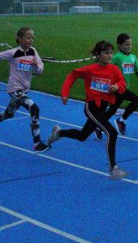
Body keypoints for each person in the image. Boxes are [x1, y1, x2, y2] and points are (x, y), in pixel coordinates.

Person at [47, 41, 128, 179]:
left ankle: (59, 133)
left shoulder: (114, 69)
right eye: (106, 53)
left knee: (82, 136)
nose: (109, 55)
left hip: (103, 108)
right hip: (91, 107)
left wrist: (117, 87)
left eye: (111, 52)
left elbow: (122, 83)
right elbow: (73, 75)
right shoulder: (90, 69)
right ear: (98, 54)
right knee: (112, 132)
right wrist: (65, 92)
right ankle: (113, 168)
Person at [0, 27, 51, 152]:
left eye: (32, 38)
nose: (31, 40)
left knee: (9, 114)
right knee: (34, 108)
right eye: (28, 38)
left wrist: (36, 67)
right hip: (14, 89)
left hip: (24, 89)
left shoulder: (33, 51)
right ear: (20, 39)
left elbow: (40, 69)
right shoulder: (13, 53)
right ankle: (37, 142)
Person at [105, 33, 138, 136]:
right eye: (126, 44)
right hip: (117, 88)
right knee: (137, 101)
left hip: (124, 87)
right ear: (119, 45)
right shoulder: (117, 57)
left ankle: (98, 126)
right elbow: (106, 69)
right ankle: (121, 121)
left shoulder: (133, 57)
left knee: (112, 110)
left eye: (130, 44)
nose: (129, 47)